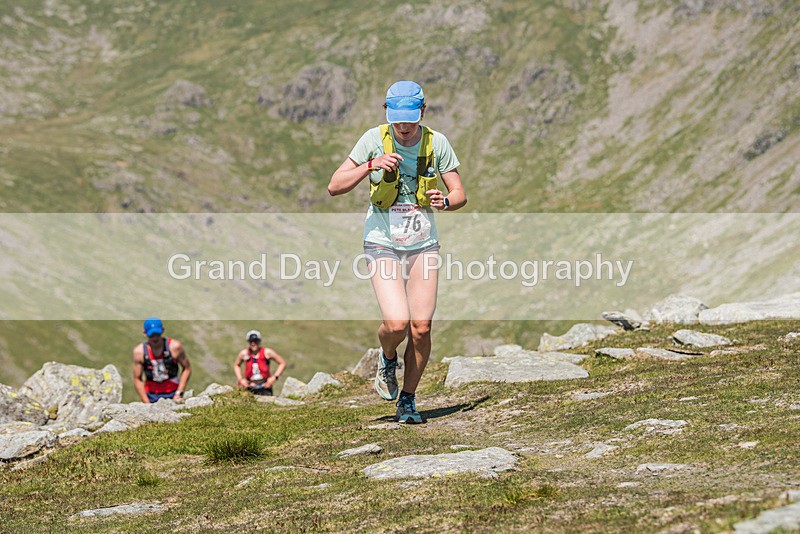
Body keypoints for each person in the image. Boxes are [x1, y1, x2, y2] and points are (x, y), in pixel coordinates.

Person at [328, 80, 467, 423]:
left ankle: (408, 399)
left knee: (420, 327)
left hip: (422, 243)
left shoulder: (437, 143)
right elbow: (335, 186)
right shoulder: (373, 139)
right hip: (382, 241)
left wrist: (446, 202)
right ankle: (387, 357)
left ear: (422, 112)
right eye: (397, 119)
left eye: (410, 119)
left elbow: (460, 192)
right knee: (397, 323)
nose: (404, 127)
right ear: (388, 114)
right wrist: (370, 166)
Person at [132, 317, 192, 403]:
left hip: (173, 393)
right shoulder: (139, 352)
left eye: (157, 334)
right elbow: (137, 378)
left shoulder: (175, 347)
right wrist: (147, 403)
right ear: (145, 333)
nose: (155, 338)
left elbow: (187, 368)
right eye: (151, 335)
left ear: (162, 330)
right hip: (151, 395)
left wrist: (179, 393)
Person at [233, 329, 286, 396]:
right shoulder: (244, 354)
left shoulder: (267, 352)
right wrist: (240, 380)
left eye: (256, 341)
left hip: (265, 386)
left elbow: (282, 363)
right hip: (249, 386)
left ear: (259, 341)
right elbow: (236, 365)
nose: (253, 343)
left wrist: (274, 377)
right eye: (251, 341)